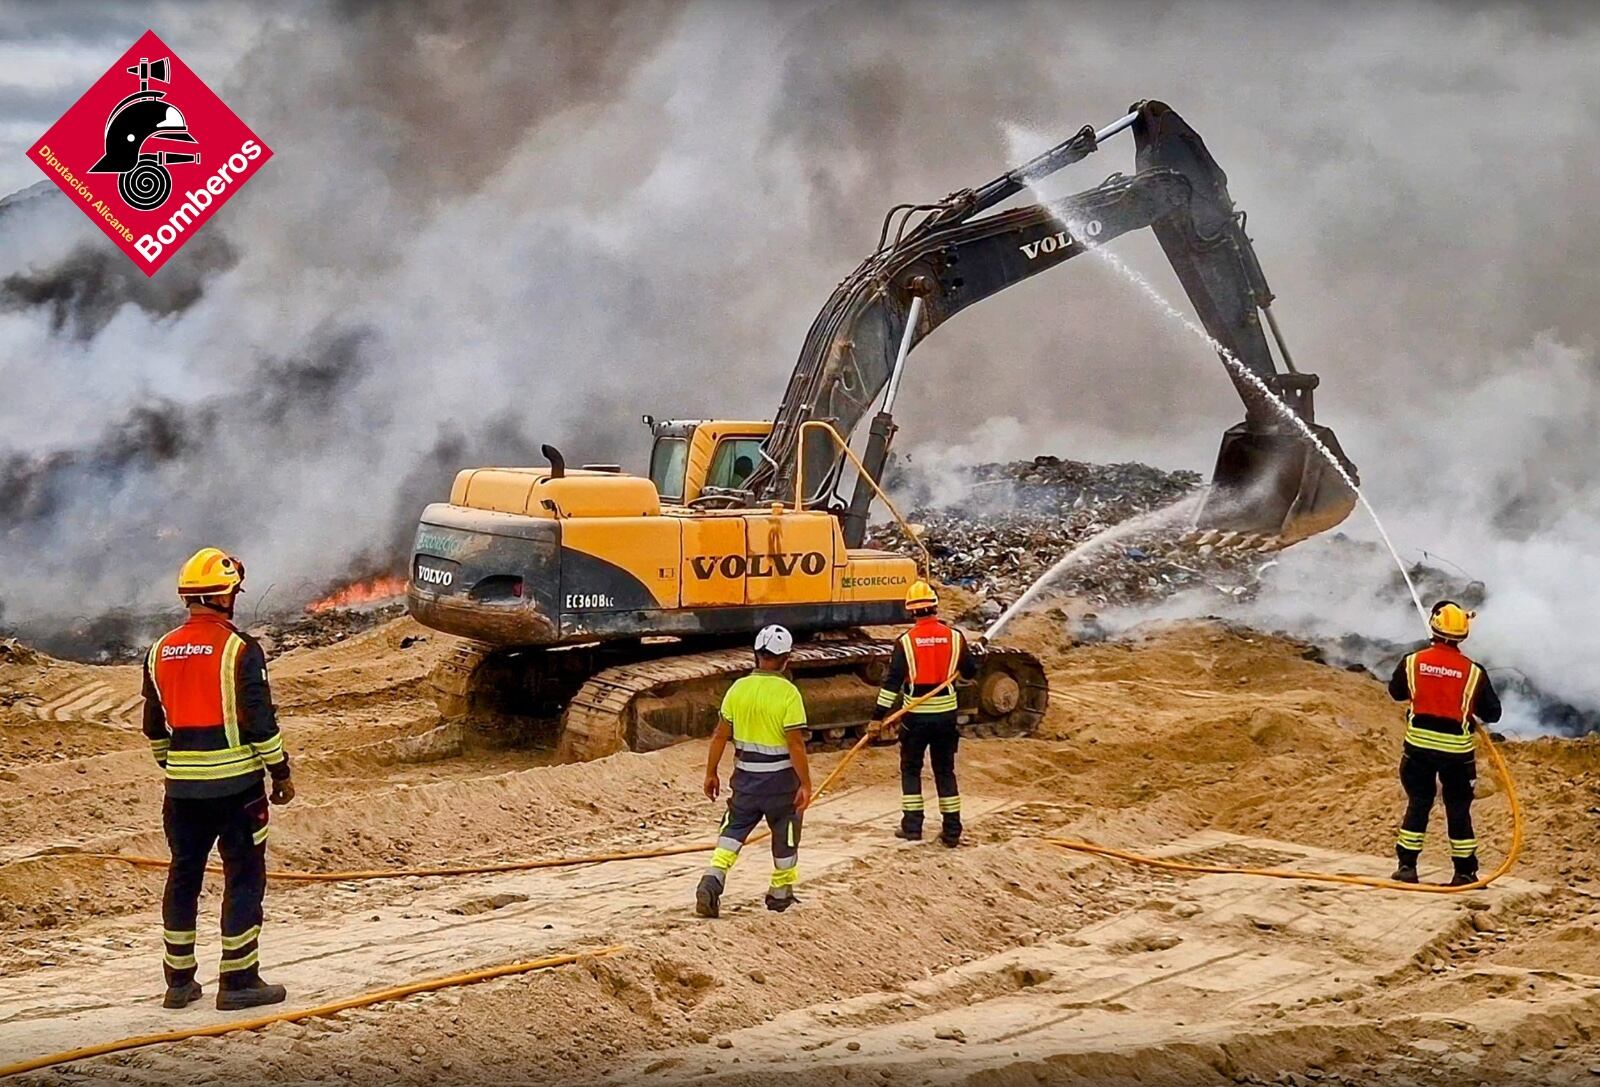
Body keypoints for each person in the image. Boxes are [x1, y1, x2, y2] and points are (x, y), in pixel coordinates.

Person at [142, 548, 295, 1010]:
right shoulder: (239, 649)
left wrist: (179, 767)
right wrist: (280, 770)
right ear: (224, 595)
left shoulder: (159, 651)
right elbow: (259, 720)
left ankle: (179, 982)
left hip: (182, 794)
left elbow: (154, 727)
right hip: (237, 793)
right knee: (243, 877)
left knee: (183, 875)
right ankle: (239, 980)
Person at [695, 625, 813, 918]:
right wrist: (806, 783)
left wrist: (711, 773)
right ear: (786, 658)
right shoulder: (789, 694)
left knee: (733, 828)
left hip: (745, 781)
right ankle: (780, 893)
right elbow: (795, 744)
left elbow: (719, 735)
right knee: (785, 831)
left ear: (757, 655)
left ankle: (713, 877)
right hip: (780, 783)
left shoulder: (738, 689)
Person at [1387, 600, 1501, 886]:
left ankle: (1406, 868)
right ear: (1463, 634)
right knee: (1458, 809)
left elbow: (1397, 692)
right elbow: (1493, 714)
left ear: (1434, 629)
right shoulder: (1474, 672)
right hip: (1457, 755)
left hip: (1418, 750)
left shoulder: (1412, 661)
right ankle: (1464, 873)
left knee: (1419, 803)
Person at [870, 580, 977, 847]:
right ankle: (952, 831)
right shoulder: (955, 638)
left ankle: (912, 827)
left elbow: (892, 684)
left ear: (911, 611)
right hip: (946, 718)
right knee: (944, 771)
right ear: (935, 607)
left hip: (915, 717)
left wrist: (877, 717)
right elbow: (971, 672)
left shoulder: (905, 643)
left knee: (911, 769)